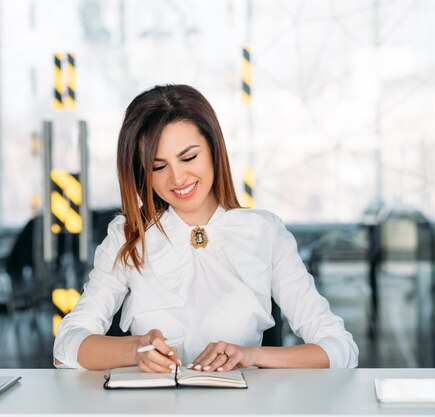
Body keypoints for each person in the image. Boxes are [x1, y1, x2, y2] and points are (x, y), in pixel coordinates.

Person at [53, 84, 358, 373]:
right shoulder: (128, 236)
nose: (178, 178)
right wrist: (134, 350)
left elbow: (341, 349)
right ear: (142, 173)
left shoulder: (265, 232)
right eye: (158, 166)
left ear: (213, 149)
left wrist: (252, 356)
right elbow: (65, 347)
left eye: (189, 157)